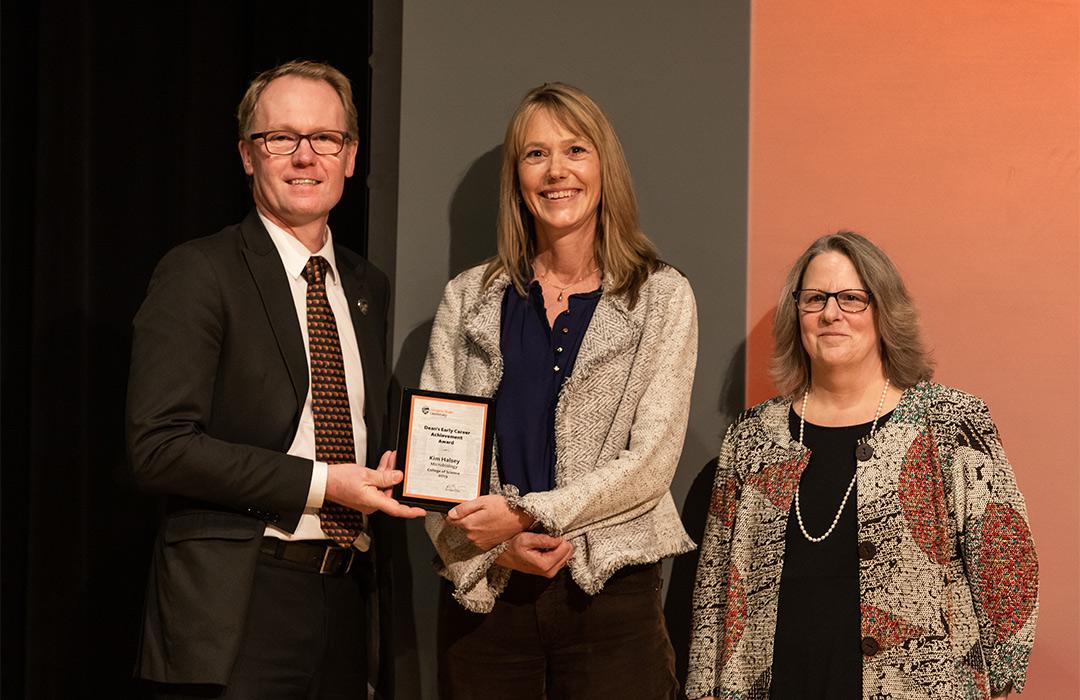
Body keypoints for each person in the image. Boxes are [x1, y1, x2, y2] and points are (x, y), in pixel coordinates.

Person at [127, 60, 424, 699]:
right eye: (279, 138)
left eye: (325, 139)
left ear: (351, 157)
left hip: (347, 595)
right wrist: (324, 484)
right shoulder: (199, 272)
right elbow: (159, 448)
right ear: (246, 155)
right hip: (240, 604)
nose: (303, 157)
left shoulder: (366, 284)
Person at [419, 82, 698, 698]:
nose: (556, 171)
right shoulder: (469, 297)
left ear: (604, 168)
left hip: (610, 597)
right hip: (488, 595)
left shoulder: (661, 295)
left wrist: (527, 514)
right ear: (516, 177)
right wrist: (492, 548)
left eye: (575, 150)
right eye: (535, 154)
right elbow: (435, 469)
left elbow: (651, 461)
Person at [686, 231, 1038, 700]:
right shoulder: (751, 438)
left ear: (882, 310)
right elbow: (714, 581)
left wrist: (1000, 680)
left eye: (851, 298)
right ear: (798, 313)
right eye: (815, 299)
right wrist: (704, 686)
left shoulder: (949, 425)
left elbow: (1006, 558)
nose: (831, 313)